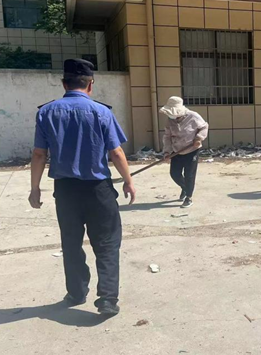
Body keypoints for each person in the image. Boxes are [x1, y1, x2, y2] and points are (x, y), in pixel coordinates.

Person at [29, 59, 135, 317]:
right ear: (90, 84)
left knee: (71, 242)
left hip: (65, 191)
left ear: (64, 84)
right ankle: (107, 299)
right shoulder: (101, 112)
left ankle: (76, 292)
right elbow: (116, 152)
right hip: (98, 190)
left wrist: (35, 188)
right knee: (107, 242)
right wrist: (129, 181)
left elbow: (39, 154)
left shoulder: (46, 112)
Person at [160, 96, 209, 208]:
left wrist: (199, 138)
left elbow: (204, 127)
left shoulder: (193, 116)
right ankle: (184, 187)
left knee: (189, 175)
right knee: (174, 174)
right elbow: (167, 136)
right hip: (176, 151)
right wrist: (167, 152)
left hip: (191, 150)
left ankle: (189, 197)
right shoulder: (170, 120)